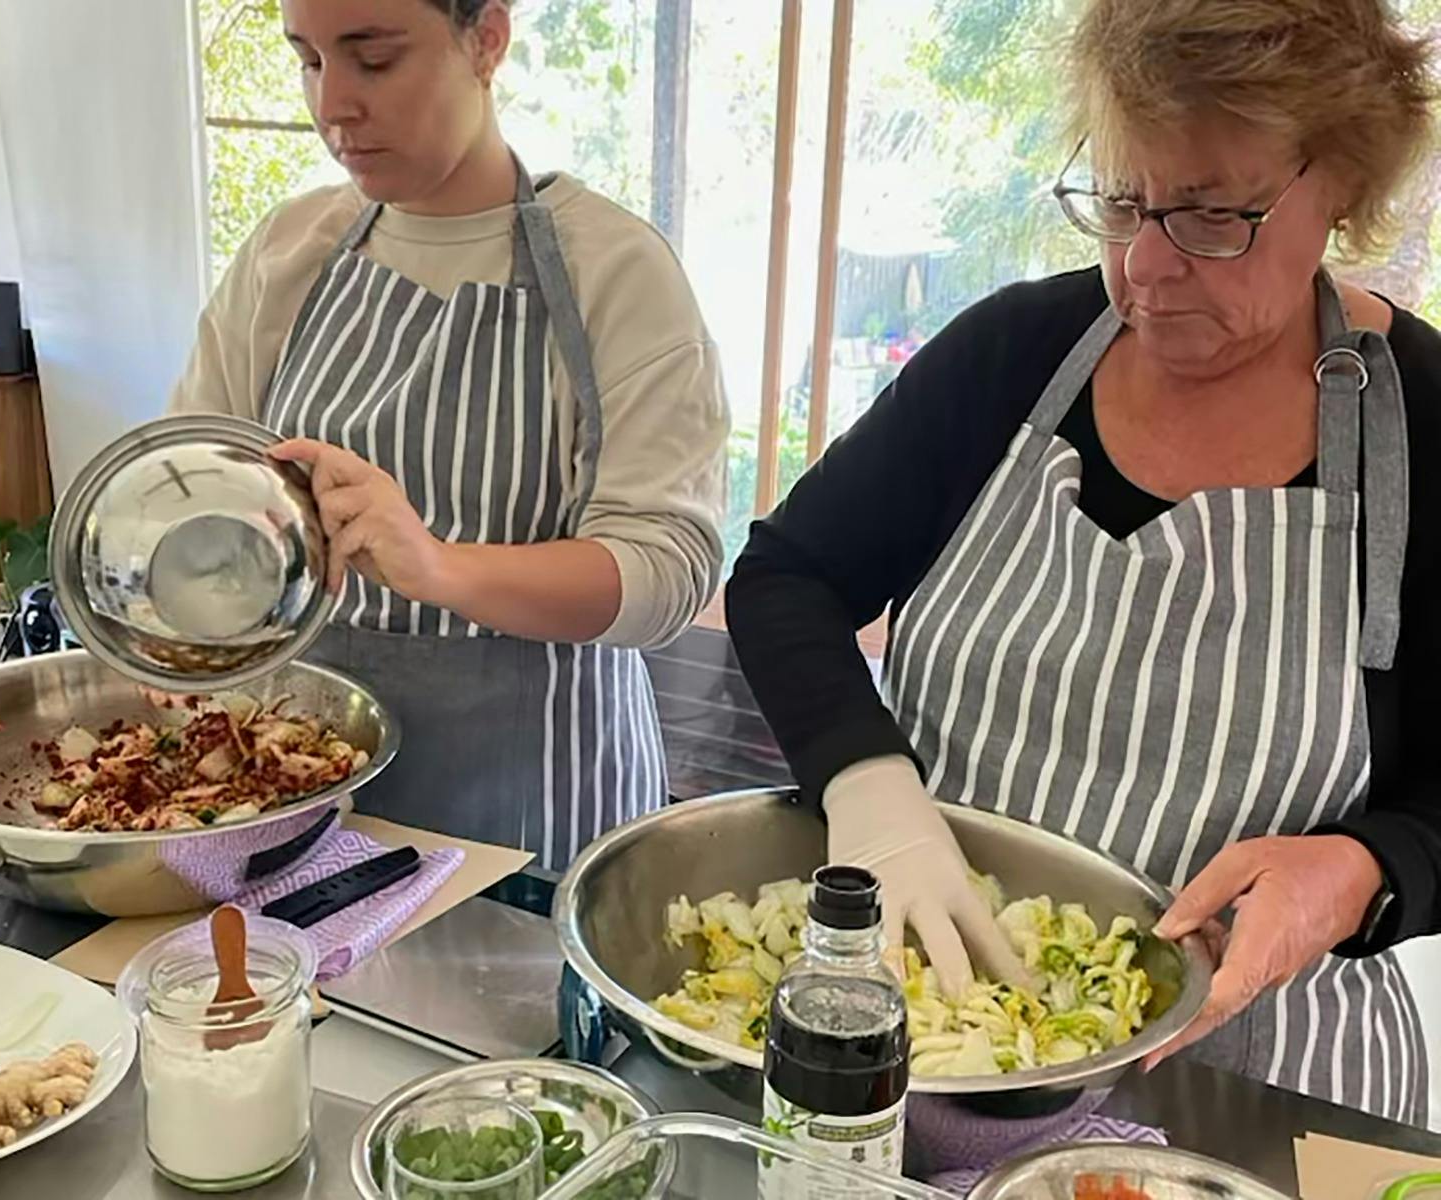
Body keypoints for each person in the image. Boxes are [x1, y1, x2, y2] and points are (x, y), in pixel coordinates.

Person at [727, 0, 1438, 1124]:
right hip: (943, 1039)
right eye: (1120, 201)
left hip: (1255, 1084)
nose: (1145, 266)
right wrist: (869, 790)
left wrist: (1368, 869)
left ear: (1339, 181)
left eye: (1212, 215)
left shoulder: (1426, 428)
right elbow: (785, 579)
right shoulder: (1010, 355)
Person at [170, 0, 729, 869]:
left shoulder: (614, 271)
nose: (333, 105)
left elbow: (666, 573)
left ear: (488, 39)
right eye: (309, 61)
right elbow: (191, 481)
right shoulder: (289, 252)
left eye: (374, 58)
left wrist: (438, 567)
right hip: (303, 797)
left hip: (540, 822)